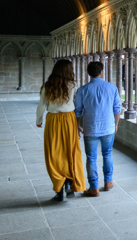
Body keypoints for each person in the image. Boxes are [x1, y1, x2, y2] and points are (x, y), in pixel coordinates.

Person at [36, 59, 86, 202]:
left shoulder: (47, 86)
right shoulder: (73, 85)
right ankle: (69, 182)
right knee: (70, 152)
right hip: (69, 120)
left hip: (53, 120)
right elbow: (76, 105)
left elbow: (41, 105)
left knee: (54, 153)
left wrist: (38, 120)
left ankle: (59, 188)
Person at [74, 60, 122, 197]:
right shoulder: (112, 88)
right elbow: (117, 108)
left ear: (89, 73)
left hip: (90, 128)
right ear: (101, 72)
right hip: (108, 127)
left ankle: (94, 187)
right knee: (107, 153)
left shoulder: (82, 90)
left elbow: (77, 111)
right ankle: (108, 182)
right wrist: (116, 124)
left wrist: (77, 126)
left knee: (91, 157)